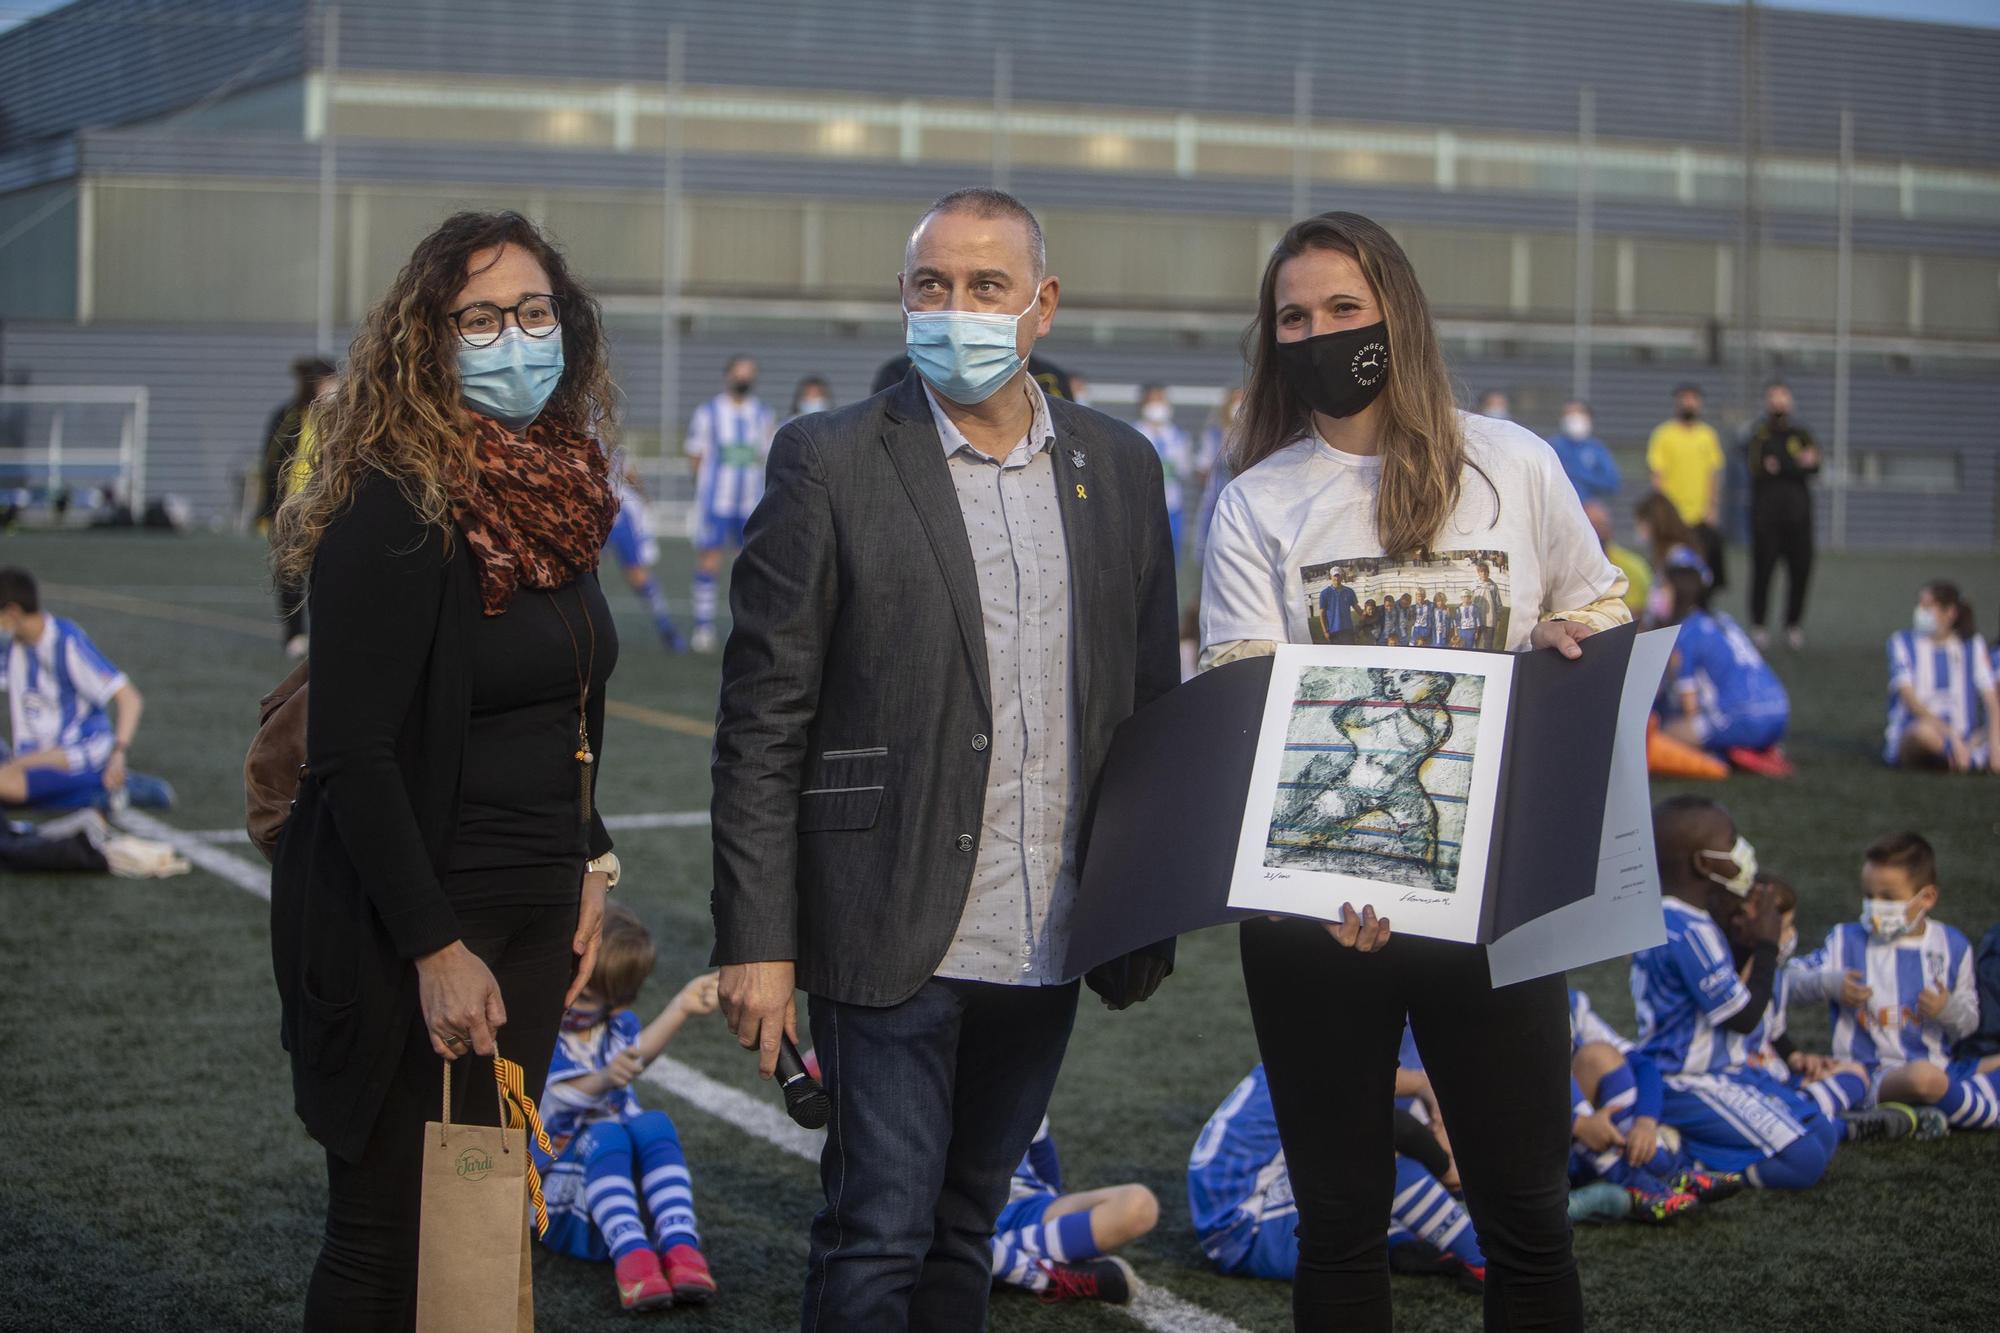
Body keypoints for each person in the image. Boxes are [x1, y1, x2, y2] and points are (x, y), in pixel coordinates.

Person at [710, 187, 1178, 1332]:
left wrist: (1142, 909)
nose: (954, 308)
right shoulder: (827, 457)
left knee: (965, 1225)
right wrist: (758, 940)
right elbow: (763, 715)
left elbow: (1148, 699)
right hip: (887, 921)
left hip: (1048, 927)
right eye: (931, 285)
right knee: (875, 1231)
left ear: (1041, 307)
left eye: (984, 287)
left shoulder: (1120, 467)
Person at [1199, 212, 1630, 1331]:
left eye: (1342, 308)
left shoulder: (1515, 463)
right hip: (1319, 915)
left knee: (1526, 1219)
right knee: (1340, 1228)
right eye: (1292, 316)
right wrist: (1329, 875)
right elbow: (1249, 710)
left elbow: (1599, 610)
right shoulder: (1253, 501)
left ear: (1396, 312)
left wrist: (1564, 645)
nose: (1317, 332)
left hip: (1494, 904)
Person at [269, 210, 623, 1331]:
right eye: (480, 316)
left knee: (471, 1235)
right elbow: (353, 756)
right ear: (427, 339)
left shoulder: (559, 490)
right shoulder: (394, 504)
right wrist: (434, 948)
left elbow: (566, 693)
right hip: (413, 926)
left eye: (532, 311)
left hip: (526, 913)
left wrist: (590, 853)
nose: (514, 335)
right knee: (385, 1242)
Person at [1629, 797, 1841, 1190]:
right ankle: (1687, 1165)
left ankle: (1698, 1147)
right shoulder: (1686, 930)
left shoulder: (1681, 918)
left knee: (1825, 1132)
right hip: (1686, 1079)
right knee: (1805, 1160)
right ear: (1703, 863)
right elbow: (1743, 1018)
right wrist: (1766, 947)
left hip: (1727, 1072)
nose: (1740, 851)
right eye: (1730, 842)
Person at [537, 904, 719, 1310]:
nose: (571, 998)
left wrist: (682, 1007)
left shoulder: (615, 1026)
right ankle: (633, 1261)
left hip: (616, 1196)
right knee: (607, 1132)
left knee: (653, 1123)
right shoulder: (540, 1036)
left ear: (615, 1003)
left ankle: (680, 1246)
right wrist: (605, 1077)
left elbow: (634, 1057)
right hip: (562, 1203)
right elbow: (565, 1095)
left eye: (585, 994)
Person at [1189, 1063, 1488, 1292]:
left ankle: (1399, 1242)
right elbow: (1396, 1127)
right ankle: (1482, 1261)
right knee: (1376, 1158)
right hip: (1246, 1229)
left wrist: (1424, 1087)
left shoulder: (1304, 1052)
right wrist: (1448, 1169)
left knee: (1389, 1131)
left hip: (1238, 1211)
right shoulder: (1327, 1066)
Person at [1789, 832, 2000, 1135]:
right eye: (1869, 896)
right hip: (1866, 1074)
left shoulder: (1953, 946)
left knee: (1934, 1076)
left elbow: (1968, 1025)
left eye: (1888, 898)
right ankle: (1980, 1112)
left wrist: (1947, 1009)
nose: (1875, 907)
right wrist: (1828, 983)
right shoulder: (1845, 940)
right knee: (1922, 1080)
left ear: (1926, 898)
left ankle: (1920, 1113)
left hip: (1944, 1068)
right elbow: (1786, 981)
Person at [0, 567, 172, 811]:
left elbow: (129, 698)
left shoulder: (65, 641)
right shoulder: (14, 646)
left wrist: (118, 753)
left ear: (13, 613)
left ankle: (110, 787)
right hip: (36, 753)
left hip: (78, 749)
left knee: (7, 784)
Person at [988, 1117, 1154, 1305]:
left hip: (1026, 1206)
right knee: (954, 1233)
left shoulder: (1018, 1089)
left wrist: (1063, 1218)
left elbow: (1040, 1149)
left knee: (1138, 1205)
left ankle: (1000, 1258)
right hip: (967, 1215)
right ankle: (1036, 1274)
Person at [1656, 553, 1792, 776]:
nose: (1657, 595)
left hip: (1741, 718)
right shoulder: (1723, 619)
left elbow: (1690, 708)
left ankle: (1725, 755)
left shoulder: (1685, 634)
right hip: (1779, 711)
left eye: (1663, 588)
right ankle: (1753, 747)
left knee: (1660, 734)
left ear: (1679, 592)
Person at [686, 355, 776, 653]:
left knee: (749, 565)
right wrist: (703, 490)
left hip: (749, 504)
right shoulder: (709, 412)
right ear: (727, 376)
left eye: (749, 373)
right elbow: (695, 456)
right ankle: (703, 627)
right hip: (717, 503)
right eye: (739, 373)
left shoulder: (763, 414)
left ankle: (747, 628)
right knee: (709, 560)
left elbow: (766, 457)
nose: (744, 378)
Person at [259, 356, 337, 657]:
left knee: (327, 574)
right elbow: (270, 461)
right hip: (292, 508)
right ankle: (293, 633)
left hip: (328, 507)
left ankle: (326, 632)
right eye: (328, 381)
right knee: (291, 574)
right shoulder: (289, 416)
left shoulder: (345, 416)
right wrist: (267, 508)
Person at [1883, 581, 1998, 773]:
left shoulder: (1972, 645)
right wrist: (1951, 736)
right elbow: (1910, 700)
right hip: (1928, 731)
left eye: (1927, 606)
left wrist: (1995, 744)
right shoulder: (1902, 642)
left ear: (1950, 613)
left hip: (1968, 737)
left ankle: (1959, 757)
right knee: (1921, 734)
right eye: (1920, 605)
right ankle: (1955, 757)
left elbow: (1991, 700)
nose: (1920, 611)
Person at [1743, 381, 1820, 650]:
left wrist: (1782, 465)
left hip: (1799, 519)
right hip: (1766, 520)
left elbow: (1814, 466)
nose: (1778, 403)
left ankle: (1792, 625)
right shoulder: (1758, 435)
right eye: (1773, 398)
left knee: (1800, 572)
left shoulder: (1803, 434)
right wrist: (1796, 464)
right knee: (1763, 572)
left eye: (1783, 397)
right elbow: (1759, 467)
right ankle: (1759, 625)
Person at [1646, 383, 1727, 590]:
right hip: (1673, 517)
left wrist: (1712, 508)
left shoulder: (1707, 435)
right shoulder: (1664, 435)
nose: (1688, 403)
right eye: (1684, 398)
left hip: (1699, 516)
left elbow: (1713, 474)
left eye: (1693, 398)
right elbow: (1657, 475)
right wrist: (1660, 511)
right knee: (1668, 570)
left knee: (1702, 571)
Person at [603, 461, 687, 652]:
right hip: (597, 508)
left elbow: (626, 469)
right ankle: (667, 631)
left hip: (613, 511)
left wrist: (642, 496)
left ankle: (666, 629)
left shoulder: (600, 440)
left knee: (636, 574)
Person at [1132, 384, 1193, 557]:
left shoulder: (1178, 435)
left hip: (1173, 504)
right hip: (1143, 505)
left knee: (1172, 555)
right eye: (1153, 400)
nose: (1157, 406)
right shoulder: (1133, 432)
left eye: (1161, 400)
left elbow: (1185, 469)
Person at [1633, 490, 1704, 628]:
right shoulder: (1666, 556)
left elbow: (1676, 604)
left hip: (1677, 631)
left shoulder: (1679, 557)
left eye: (1641, 524)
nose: (1639, 530)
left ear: (1654, 524)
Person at [1584, 499, 1650, 619]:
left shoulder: (1633, 567)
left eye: (1601, 526)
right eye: (1591, 526)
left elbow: (1638, 612)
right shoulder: (1566, 568)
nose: (1597, 532)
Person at [1548, 400, 1621, 507]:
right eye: (1569, 415)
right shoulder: (1552, 446)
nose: (1574, 419)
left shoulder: (1596, 448)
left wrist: (1580, 476)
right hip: (1558, 507)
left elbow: (1612, 482)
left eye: (1579, 414)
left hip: (1589, 509)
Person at [1314, 568, 1361, 644]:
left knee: (1351, 654)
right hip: (1333, 631)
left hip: (1348, 629)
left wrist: (1365, 617)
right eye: (1334, 576)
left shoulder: (1349, 591)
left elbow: (1357, 608)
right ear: (1331, 577)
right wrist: (1325, 631)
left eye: (1338, 576)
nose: (1336, 578)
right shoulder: (1324, 593)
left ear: (1342, 577)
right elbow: (1322, 614)